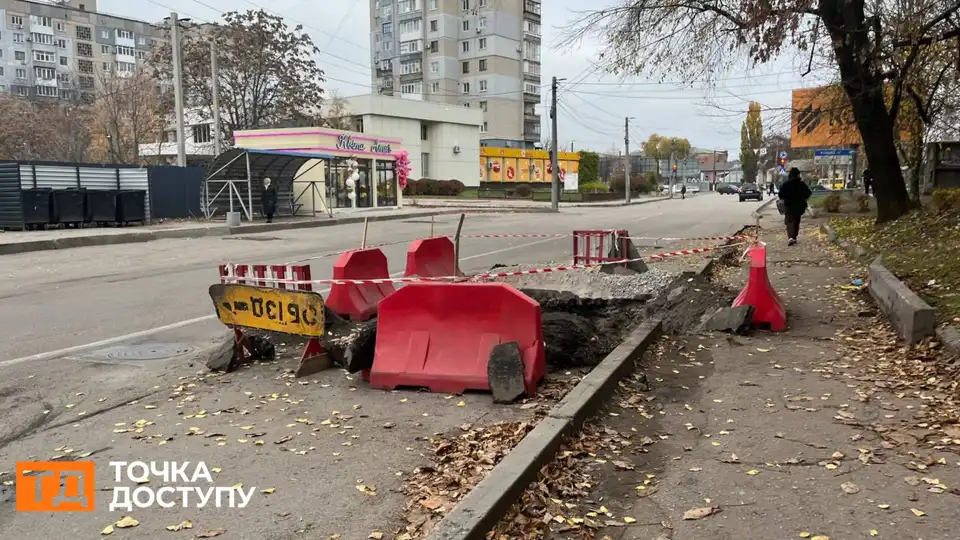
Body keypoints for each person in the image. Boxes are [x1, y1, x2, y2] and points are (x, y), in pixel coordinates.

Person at [778, 167, 812, 246]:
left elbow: (780, 194)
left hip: (789, 205)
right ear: (798, 174)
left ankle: (791, 237)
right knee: (796, 221)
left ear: (790, 174)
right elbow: (808, 193)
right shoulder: (801, 184)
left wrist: (785, 197)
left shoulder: (786, 184)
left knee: (789, 221)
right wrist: (802, 198)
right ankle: (794, 237)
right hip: (799, 206)